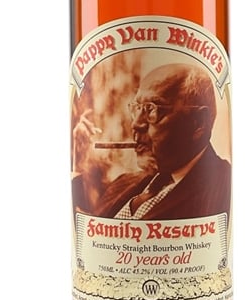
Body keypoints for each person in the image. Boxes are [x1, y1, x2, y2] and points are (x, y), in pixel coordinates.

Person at [95, 62, 231, 220]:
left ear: (198, 123)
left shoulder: (225, 188)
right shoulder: (122, 183)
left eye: (153, 110)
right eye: (137, 108)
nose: (136, 124)